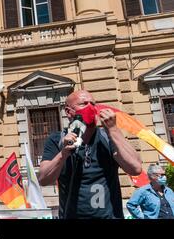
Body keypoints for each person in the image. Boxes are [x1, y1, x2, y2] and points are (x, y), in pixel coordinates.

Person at [38, 90, 142, 219]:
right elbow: (43, 179)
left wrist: (113, 130)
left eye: (93, 104)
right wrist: (64, 153)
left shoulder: (108, 136)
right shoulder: (56, 139)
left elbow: (136, 168)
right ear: (68, 112)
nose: (91, 107)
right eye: (84, 103)